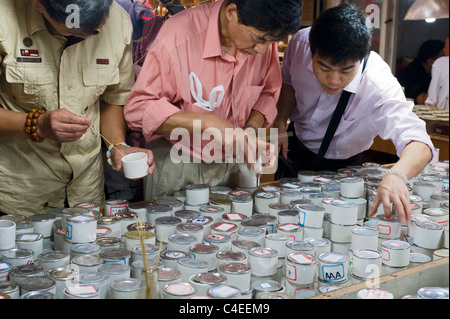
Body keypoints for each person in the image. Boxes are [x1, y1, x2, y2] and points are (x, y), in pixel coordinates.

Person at [124, 0, 303, 200]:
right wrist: (208, 123)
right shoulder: (179, 35)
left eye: (270, 42)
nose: (261, 50)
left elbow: (268, 93)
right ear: (232, 12)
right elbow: (138, 109)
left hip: (234, 164)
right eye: (258, 39)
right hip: (180, 162)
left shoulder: (261, 38)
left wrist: (250, 131)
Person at [272, 3, 434, 223]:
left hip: (345, 168)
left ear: (362, 55)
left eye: (346, 70)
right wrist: (281, 119)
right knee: (286, 219)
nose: (333, 80)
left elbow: (420, 142)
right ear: (312, 51)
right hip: (294, 152)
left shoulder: (378, 83)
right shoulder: (300, 44)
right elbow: (288, 81)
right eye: (324, 68)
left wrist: (397, 175)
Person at [0, 0, 155, 217]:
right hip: (21, 192)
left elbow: (112, 99)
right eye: (75, 29)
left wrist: (118, 146)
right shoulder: (4, 18)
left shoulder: (118, 20)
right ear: (38, 4)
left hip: (86, 191)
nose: (87, 36)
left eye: (95, 29)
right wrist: (37, 124)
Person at [398, 39, 444, 105]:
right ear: (430, 61)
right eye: (442, 57)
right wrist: (439, 79)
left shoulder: (428, 72)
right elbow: (422, 100)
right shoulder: (413, 72)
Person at [425, 35, 449, 110]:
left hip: (444, 118)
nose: (444, 50)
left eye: (445, 45)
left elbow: (431, 100)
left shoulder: (441, 63)